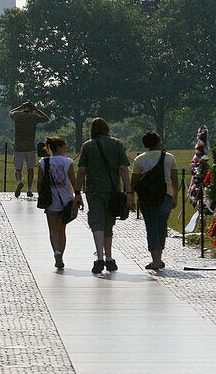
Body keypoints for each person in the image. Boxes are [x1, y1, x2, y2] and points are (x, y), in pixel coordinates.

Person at [76, 118, 131, 275]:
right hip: (113, 190)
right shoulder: (117, 144)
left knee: (97, 223)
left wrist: (77, 192)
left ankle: (99, 257)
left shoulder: (88, 146)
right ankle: (109, 258)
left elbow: (81, 171)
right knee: (109, 223)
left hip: (94, 190)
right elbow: (123, 169)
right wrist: (128, 192)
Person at [130, 131, 178, 272]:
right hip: (166, 196)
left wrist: (131, 199)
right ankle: (159, 257)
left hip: (146, 198)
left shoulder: (139, 160)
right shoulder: (169, 158)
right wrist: (174, 197)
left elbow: (134, 182)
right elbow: (174, 180)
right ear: (158, 142)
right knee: (162, 226)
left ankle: (155, 260)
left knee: (151, 227)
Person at [36, 136, 83, 270]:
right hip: (66, 199)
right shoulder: (67, 162)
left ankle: (55, 251)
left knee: (52, 229)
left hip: (50, 199)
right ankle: (61, 255)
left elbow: (40, 182)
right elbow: (73, 181)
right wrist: (77, 196)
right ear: (60, 148)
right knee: (62, 229)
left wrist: (41, 196)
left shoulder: (44, 162)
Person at [9, 101, 49, 197]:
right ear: (32, 109)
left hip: (18, 146)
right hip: (30, 147)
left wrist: (20, 106)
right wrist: (37, 110)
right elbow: (46, 119)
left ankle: (19, 182)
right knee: (30, 169)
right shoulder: (34, 117)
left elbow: (10, 112)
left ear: (24, 107)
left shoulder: (17, 115)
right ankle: (29, 189)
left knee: (18, 169)